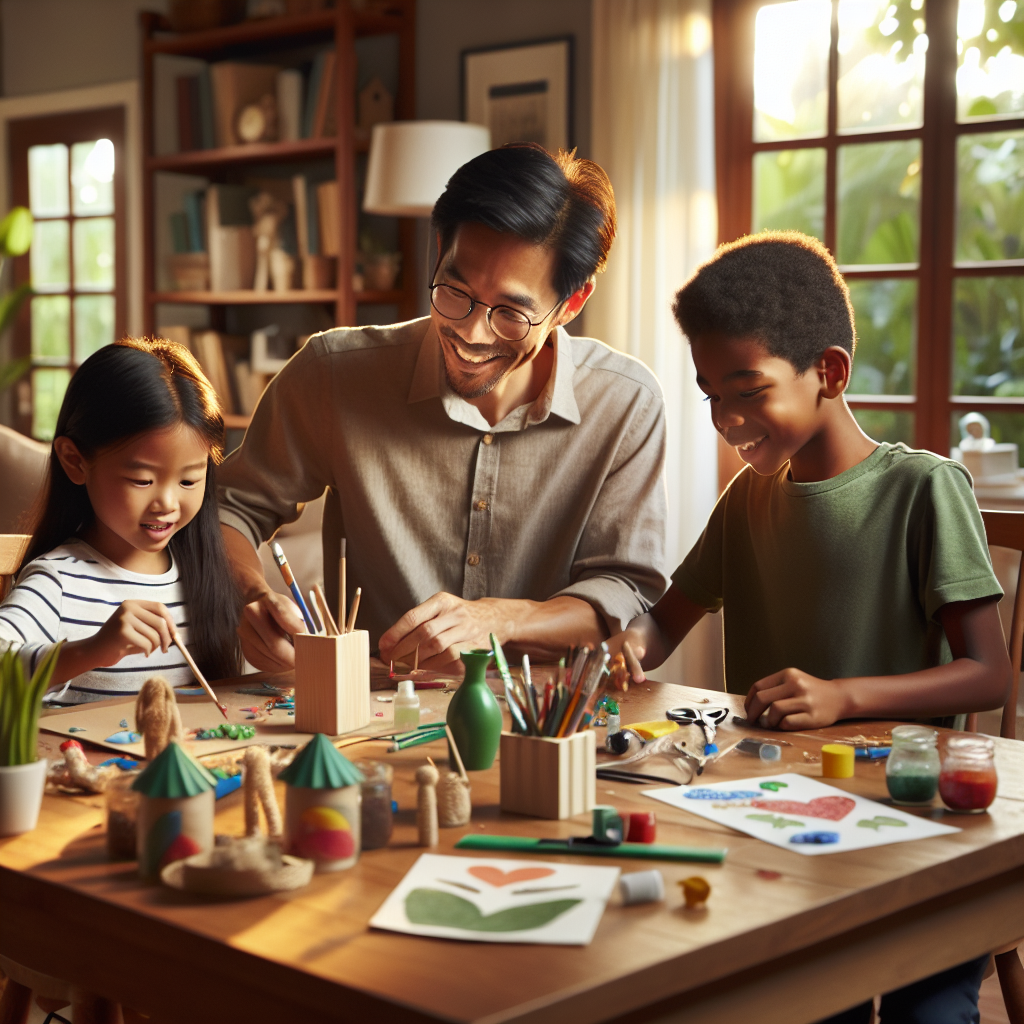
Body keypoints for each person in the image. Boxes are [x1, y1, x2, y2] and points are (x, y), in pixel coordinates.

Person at [613, 231, 1010, 1023]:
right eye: (711, 396)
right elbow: (664, 622)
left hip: (912, 830)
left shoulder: (924, 488)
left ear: (828, 372)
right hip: (773, 817)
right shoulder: (748, 504)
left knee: (927, 1013)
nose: (727, 419)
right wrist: (628, 648)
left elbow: (990, 674)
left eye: (748, 389)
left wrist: (841, 697)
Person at [218, 143, 668, 673]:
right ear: (438, 249)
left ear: (571, 303)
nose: (471, 334)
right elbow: (230, 508)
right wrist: (251, 597)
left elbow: (622, 590)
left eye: (510, 313)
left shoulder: (625, 403)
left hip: (543, 720)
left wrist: (502, 620)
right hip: (371, 711)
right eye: (455, 291)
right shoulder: (333, 372)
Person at [0, 338, 240, 702]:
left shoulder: (204, 571)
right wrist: (91, 650)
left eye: (189, 480)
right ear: (75, 461)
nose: (168, 503)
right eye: (142, 480)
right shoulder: (60, 581)